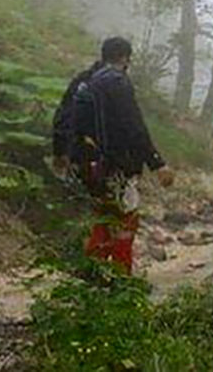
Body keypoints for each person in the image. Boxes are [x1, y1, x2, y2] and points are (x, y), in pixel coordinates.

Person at [71, 37, 174, 274]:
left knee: (103, 217)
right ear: (125, 58)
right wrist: (156, 163)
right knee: (126, 219)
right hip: (117, 165)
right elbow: (134, 126)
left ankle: (92, 276)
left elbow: (73, 124)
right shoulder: (118, 82)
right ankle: (121, 279)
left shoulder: (87, 83)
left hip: (91, 165)